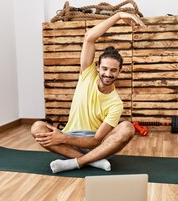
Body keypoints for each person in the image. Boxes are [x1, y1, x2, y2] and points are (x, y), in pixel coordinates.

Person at [31, 12, 146, 173]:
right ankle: (93, 162)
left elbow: (96, 140)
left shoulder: (116, 103)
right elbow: (89, 38)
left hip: (96, 145)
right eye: (105, 68)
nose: (108, 73)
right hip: (69, 142)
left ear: (119, 72)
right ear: (98, 66)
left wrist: (64, 137)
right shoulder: (87, 74)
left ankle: (77, 162)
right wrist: (118, 15)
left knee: (127, 128)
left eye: (113, 70)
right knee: (37, 127)